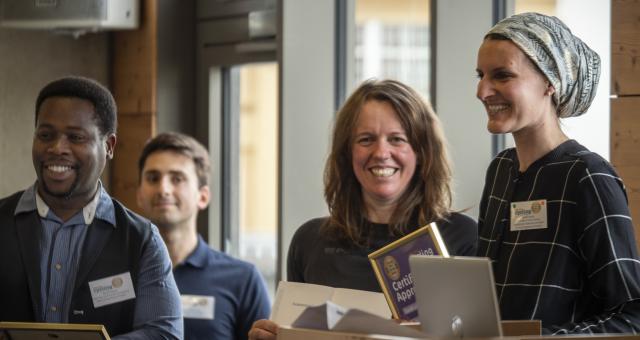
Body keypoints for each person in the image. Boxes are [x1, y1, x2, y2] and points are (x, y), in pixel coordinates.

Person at [249, 79, 477, 339]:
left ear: (422, 152)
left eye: (397, 139)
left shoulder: (461, 238)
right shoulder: (309, 242)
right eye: (366, 139)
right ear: (347, 153)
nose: (381, 152)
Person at [475, 12, 640, 334]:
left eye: (502, 76)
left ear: (550, 82)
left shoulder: (589, 177)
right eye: (480, 75)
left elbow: (632, 315)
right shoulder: (500, 170)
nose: (482, 91)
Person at [0, 76, 182, 339]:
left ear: (108, 146)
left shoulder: (141, 240)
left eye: (75, 137)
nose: (56, 148)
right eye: (45, 135)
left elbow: (164, 333)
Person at [136, 132, 271, 340]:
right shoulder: (118, 274)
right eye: (153, 178)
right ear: (139, 195)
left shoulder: (242, 280)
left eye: (177, 178)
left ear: (203, 196)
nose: (163, 189)